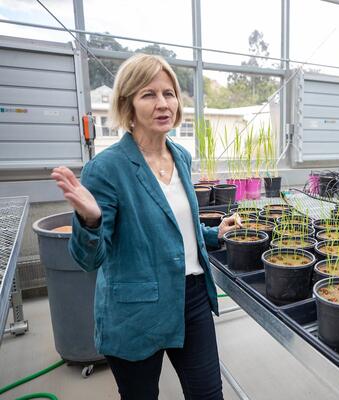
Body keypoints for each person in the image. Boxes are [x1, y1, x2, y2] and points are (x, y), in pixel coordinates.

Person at [51, 53, 241, 400]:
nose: (162, 103)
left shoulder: (180, 156)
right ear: (128, 104)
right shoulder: (107, 169)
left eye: (169, 93)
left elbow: (175, 225)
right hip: (135, 310)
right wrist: (90, 220)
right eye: (148, 94)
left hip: (192, 295)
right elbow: (89, 260)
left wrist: (215, 234)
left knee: (209, 394)